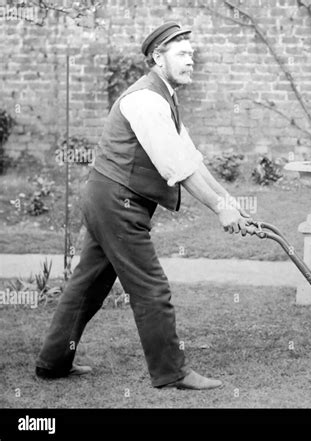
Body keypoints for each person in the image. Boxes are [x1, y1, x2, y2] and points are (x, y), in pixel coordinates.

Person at [36, 22, 249, 390]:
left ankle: (52, 363)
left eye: (191, 54)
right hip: (117, 202)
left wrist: (229, 202)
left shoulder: (163, 96)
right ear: (157, 57)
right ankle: (172, 373)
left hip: (109, 199)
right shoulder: (147, 100)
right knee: (151, 288)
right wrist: (219, 207)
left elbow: (191, 158)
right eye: (181, 54)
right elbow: (176, 167)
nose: (190, 60)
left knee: (87, 286)